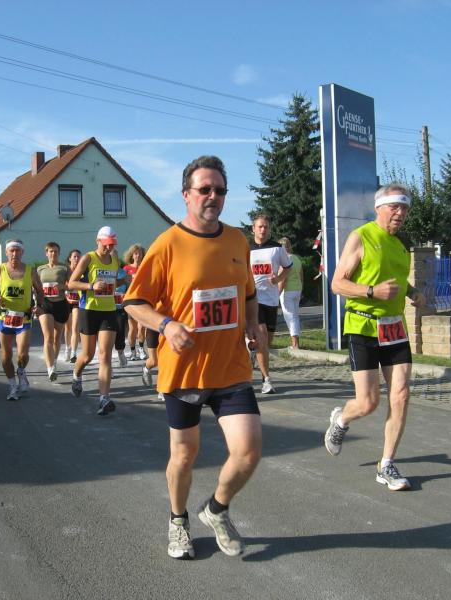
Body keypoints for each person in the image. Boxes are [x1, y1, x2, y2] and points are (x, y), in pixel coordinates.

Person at [124, 155, 263, 560]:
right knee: (184, 456)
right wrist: (166, 325)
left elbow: (249, 293)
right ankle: (178, 520)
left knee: (249, 450)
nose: (213, 196)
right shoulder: (168, 244)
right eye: (205, 189)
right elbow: (133, 301)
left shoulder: (237, 240)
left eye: (219, 190)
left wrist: (252, 324)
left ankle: (216, 509)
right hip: (184, 370)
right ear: (186, 194)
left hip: (231, 366)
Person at [324, 183, 427, 491]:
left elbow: (396, 280)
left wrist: (412, 292)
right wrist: (371, 291)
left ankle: (387, 464)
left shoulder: (400, 244)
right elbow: (337, 284)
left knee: (401, 395)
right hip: (363, 326)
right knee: (368, 402)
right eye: (395, 207)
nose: (400, 213)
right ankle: (341, 420)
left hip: (394, 328)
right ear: (379, 208)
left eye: (405, 208)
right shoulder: (361, 237)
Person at [67, 226, 121, 416]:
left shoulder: (115, 259)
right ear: (98, 241)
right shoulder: (88, 258)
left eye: (112, 245)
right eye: (106, 244)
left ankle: (104, 398)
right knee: (88, 355)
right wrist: (91, 286)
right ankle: (76, 375)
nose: (109, 248)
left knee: (105, 355)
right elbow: (71, 283)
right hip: (89, 310)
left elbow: (115, 281)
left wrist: (119, 285)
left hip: (109, 310)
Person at [0, 239, 44, 401]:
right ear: (6, 252)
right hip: (5, 317)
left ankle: (21, 371)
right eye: (11, 250)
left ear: (22, 252)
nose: (14, 254)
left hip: (24, 318)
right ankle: (12, 385)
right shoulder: (0, 269)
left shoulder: (30, 271)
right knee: (6, 356)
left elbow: (40, 291)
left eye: (18, 250)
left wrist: (39, 306)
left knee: (22, 355)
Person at [249, 215, 291, 394]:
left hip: (271, 300)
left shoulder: (277, 248)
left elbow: (288, 267)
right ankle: (266, 380)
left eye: (266, 227)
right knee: (262, 335)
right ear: (253, 229)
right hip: (252, 299)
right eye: (260, 227)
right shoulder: (245, 248)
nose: (263, 230)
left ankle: (253, 354)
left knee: (267, 342)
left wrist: (278, 279)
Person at [37, 241, 70, 382]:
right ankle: (50, 368)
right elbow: (35, 287)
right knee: (48, 337)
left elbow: (72, 284)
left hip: (60, 304)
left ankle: (54, 361)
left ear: (59, 253)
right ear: (46, 253)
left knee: (57, 338)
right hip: (45, 304)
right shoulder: (40, 269)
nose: (53, 254)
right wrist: (35, 302)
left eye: (56, 251)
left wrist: (62, 286)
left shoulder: (64, 268)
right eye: (51, 251)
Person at [122, 244, 147, 360]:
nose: (138, 256)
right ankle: (133, 351)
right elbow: (122, 284)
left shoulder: (145, 267)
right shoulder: (126, 269)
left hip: (143, 300)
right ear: (131, 255)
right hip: (131, 301)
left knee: (142, 327)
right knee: (132, 328)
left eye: (139, 253)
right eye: (135, 253)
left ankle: (141, 348)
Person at [278, 237, 303, 349]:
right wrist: (301, 290)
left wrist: (277, 294)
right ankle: (296, 343)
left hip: (287, 291)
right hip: (297, 290)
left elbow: (283, 280)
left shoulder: (284, 261)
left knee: (290, 317)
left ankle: (295, 345)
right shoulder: (296, 259)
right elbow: (301, 276)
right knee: (295, 316)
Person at [63, 250, 82, 362]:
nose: (76, 259)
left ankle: (74, 353)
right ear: (70, 258)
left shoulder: (82, 271)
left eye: (78, 257)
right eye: (74, 256)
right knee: (68, 328)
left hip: (77, 302)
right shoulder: (65, 271)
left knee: (75, 327)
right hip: (66, 302)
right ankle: (67, 348)